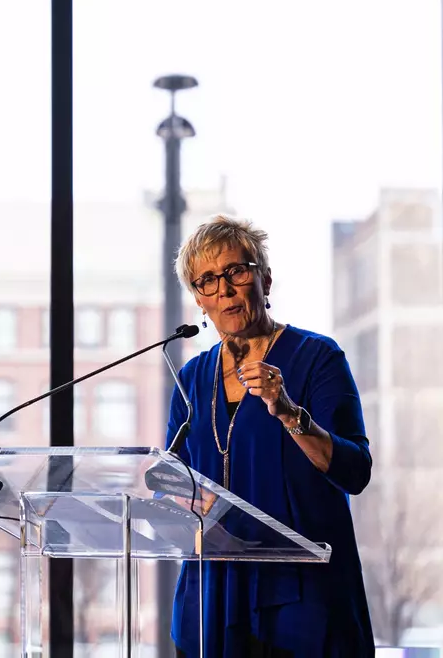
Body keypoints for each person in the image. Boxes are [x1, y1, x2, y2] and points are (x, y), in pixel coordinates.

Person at [165, 214, 374, 658]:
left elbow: (355, 471)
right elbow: (171, 478)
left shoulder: (317, 358)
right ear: (199, 301)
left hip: (303, 600)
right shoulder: (190, 378)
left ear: (265, 279)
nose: (223, 289)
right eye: (206, 281)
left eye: (236, 271)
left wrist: (289, 412)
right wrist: (173, 495)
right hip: (213, 598)